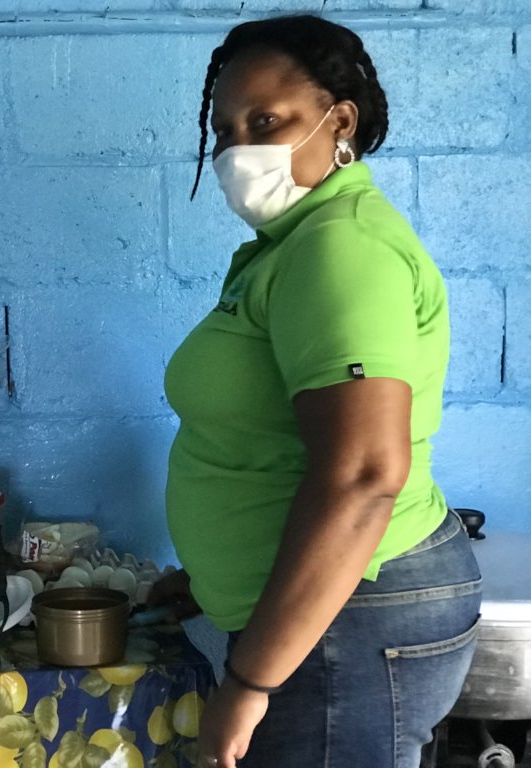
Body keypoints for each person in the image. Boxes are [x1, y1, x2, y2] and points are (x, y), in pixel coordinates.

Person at [149, 14, 482, 768]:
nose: (240, 149)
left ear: (339, 122)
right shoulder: (290, 247)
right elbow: (269, 441)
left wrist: (249, 679)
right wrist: (217, 578)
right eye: (227, 129)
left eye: (267, 121)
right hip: (329, 615)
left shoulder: (340, 246)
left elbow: (364, 477)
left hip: (350, 622)